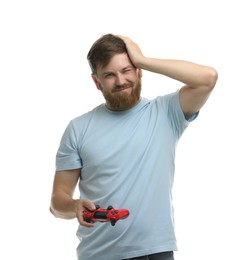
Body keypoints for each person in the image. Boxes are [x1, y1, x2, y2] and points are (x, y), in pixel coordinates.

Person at [50, 34, 218, 260]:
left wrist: (143, 59)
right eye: (109, 75)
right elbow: (57, 202)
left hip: (157, 251)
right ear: (96, 81)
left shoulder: (166, 112)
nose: (120, 81)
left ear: (139, 72)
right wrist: (73, 206)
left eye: (127, 70)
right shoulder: (78, 128)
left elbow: (208, 78)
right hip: (99, 254)